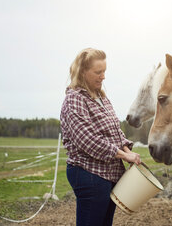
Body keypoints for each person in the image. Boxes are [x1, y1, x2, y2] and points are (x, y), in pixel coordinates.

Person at [60, 48, 141, 226]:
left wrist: (127, 150)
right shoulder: (75, 99)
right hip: (89, 174)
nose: (103, 76)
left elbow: (115, 131)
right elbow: (87, 140)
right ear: (83, 72)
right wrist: (124, 155)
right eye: (98, 72)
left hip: (109, 175)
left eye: (104, 71)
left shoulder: (101, 98)